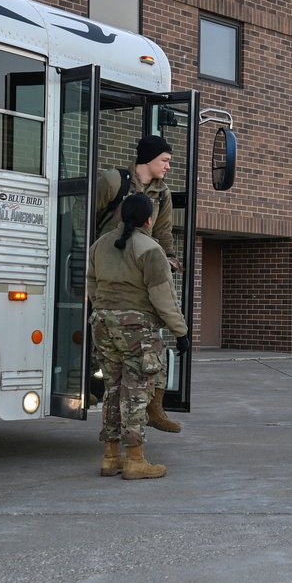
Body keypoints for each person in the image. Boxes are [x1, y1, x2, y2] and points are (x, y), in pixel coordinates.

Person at [86, 193, 190, 480]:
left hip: (103, 323)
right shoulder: (150, 249)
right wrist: (180, 331)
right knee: (136, 392)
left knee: (113, 389)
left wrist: (106, 308)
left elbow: (91, 283)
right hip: (136, 328)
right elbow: (163, 296)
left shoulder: (100, 244)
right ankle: (135, 461)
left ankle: (110, 456)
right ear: (149, 219)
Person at [95, 135, 182, 273]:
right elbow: (83, 214)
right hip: (104, 262)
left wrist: (168, 258)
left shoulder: (163, 194)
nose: (168, 167)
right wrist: (83, 252)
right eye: (164, 160)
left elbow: (163, 231)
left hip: (138, 266)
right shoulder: (113, 181)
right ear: (148, 159)